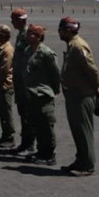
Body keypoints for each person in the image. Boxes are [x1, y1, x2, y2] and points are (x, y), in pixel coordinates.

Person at [59, 17, 99, 176]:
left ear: (69, 30)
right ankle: (80, 160)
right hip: (74, 94)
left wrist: (95, 86)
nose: (59, 32)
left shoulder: (78, 46)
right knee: (77, 130)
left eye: (62, 29)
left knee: (84, 131)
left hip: (82, 95)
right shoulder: (71, 45)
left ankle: (87, 165)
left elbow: (92, 69)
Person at [22, 23, 61, 166]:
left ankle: (50, 154)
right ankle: (41, 151)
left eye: (31, 34)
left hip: (43, 94)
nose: (28, 36)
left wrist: (54, 90)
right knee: (36, 124)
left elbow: (55, 74)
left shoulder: (46, 53)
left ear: (38, 37)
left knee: (46, 125)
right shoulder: (28, 51)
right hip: (31, 94)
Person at [10, 8, 34, 154]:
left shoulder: (28, 35)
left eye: (13, 20)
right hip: (19, 79)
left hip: (26, 81)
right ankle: (25, 143)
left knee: (28, 114)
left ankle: (30, 145)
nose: (12, 23)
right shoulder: (21, 35)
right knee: (22, 113)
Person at [0, 24, 16, 148]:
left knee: (6, 112)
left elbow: (4, 69)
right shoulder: (0, 48)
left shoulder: (7, 50)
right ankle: (5, 135)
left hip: (5, 85)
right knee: (1, 112)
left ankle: (10, 137)